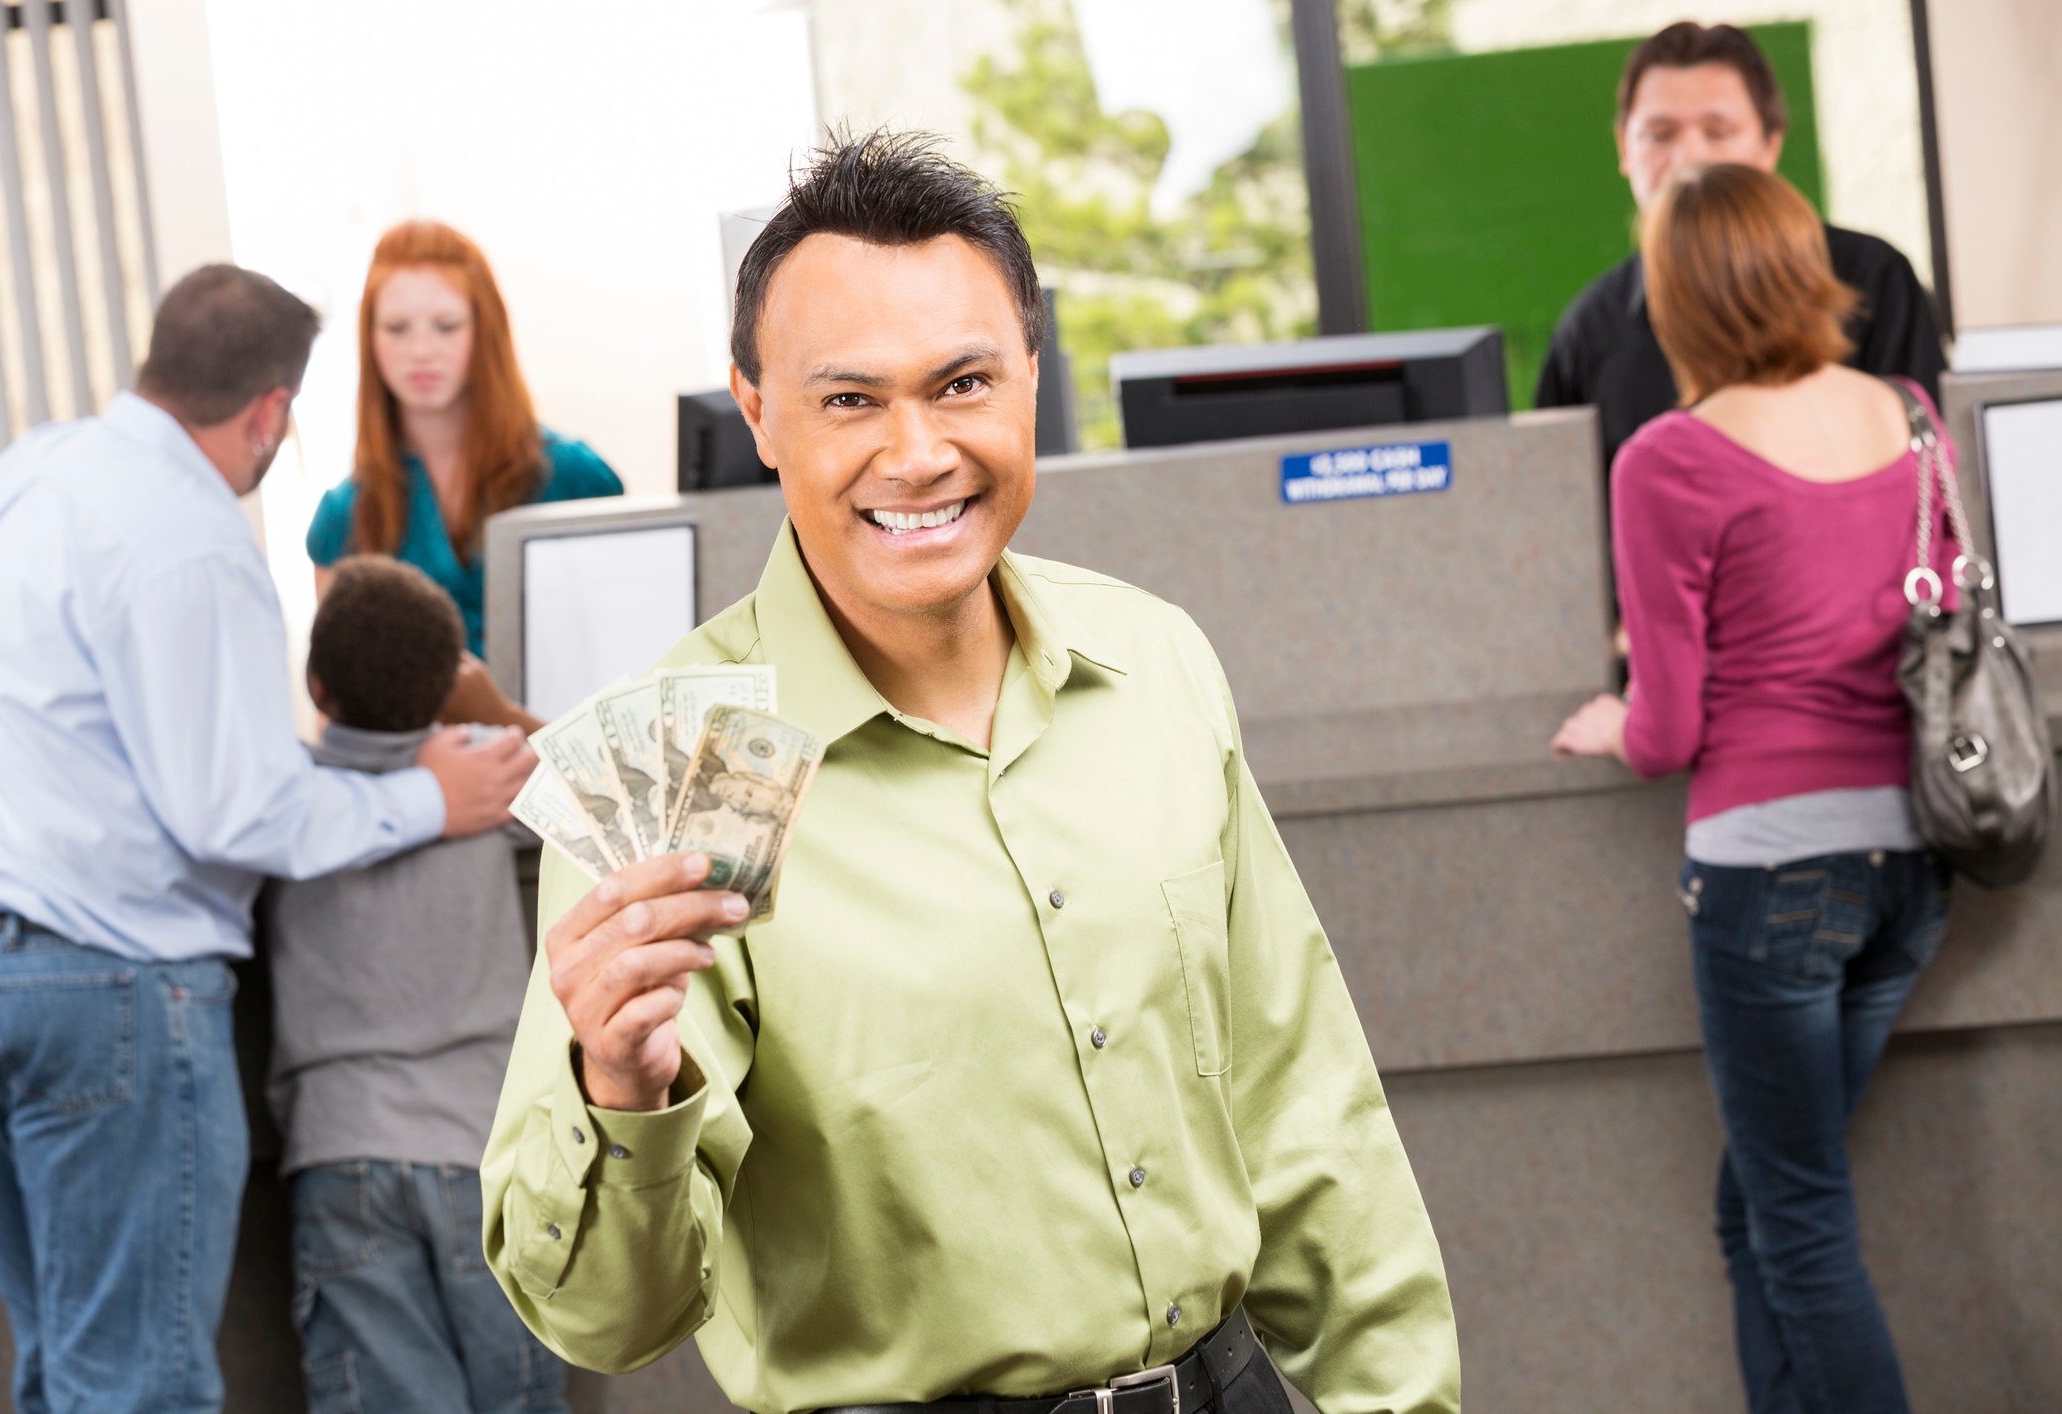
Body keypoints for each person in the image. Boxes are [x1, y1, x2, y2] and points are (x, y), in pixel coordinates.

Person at [482, 131, 1459, 1414]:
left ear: (1029, 381)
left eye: (960, 383)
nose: (918, 452)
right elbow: (610, 1324)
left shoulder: (1151, 663)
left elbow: (1307, 1108)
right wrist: (618, 1088)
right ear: (758, 410)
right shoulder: (682, 765)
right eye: (849, 399)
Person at [0, 265, 535, 1412]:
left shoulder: (27, 475)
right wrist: (429, 798)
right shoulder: (196, 540)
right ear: (270, 409)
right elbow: (237, 810)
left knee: (63, 1369)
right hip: (105, 990)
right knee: (142, 1387)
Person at [1552, 165, 1954, 1414]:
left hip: (1773, 875)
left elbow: (1669, 730)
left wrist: (1618, 715)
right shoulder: (1908, 415)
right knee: (1759, 1207)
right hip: (1913, 872)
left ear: (1675, 297)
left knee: (1800, 1222)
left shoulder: (1671, 458)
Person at [264, 556, 567, 1414]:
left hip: (342, 1147)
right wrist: (494, 713)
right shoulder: (486, 767)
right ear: (444, 686)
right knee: (520, 1397)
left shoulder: (282, 797)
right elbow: (620, 794)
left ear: (317, 687)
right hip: (485, 1149)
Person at [1536, 20, 1946, 471]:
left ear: (1770, 144)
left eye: (1718, 132)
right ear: (1624, 148)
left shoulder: (1872, 280)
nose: (1689, 159)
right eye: (1660, 135)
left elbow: (1928, 472)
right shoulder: (1587, 333)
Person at [306, 220, 625, 725]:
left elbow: (623, 665)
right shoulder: (344, 515)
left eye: (446, 326)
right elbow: (344, 714)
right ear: (370, 339)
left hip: (571, 773)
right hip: (420, 790)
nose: (421, 350)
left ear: (485, 328)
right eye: (396, 328)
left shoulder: (575, 478)